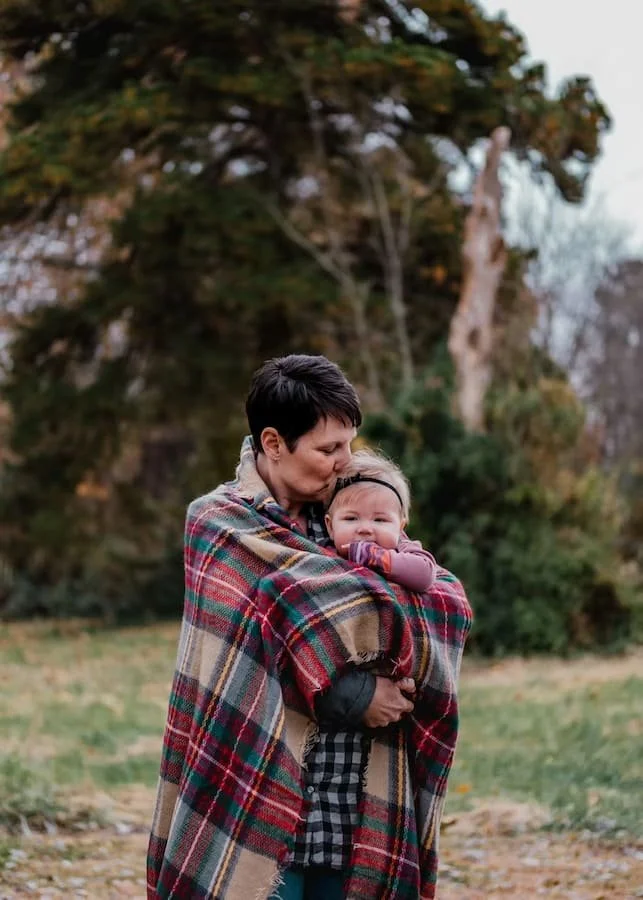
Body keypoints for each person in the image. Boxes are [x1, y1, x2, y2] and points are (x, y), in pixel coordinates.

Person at [147, 354, 472, 900]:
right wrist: (357, 691)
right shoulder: (220, 522)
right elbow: (250, 652)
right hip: (256, 778)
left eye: (349, 444)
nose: (346, 462)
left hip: (350, 794)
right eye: (329, 450)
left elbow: (437, 596)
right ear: (274, 444)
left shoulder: (350, 513)